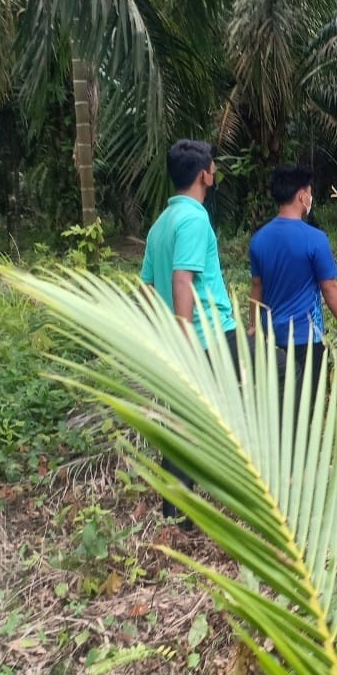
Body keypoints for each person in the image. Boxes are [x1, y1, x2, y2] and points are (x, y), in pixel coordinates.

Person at [141, 139, 238, 523]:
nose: (214, 173)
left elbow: (147, 288)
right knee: (274, 380)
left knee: (181, 424)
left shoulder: (160, 225)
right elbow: (182, 280)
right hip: (208, 336)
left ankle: (176, 515)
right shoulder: (195, 219)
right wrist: (182, 335)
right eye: (213, 167)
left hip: (182, 339)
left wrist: (161, 335)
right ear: (204, 175)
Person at [248, 164, 337, 400]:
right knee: (308, 401)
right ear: (301, 195)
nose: (310, 197)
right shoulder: (315, 239)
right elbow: (329, 287)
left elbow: (257, 287)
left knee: (277, 400)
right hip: (307, 336)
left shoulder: (258, 240)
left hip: (271, 337)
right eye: (309, 192)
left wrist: (254, 325)